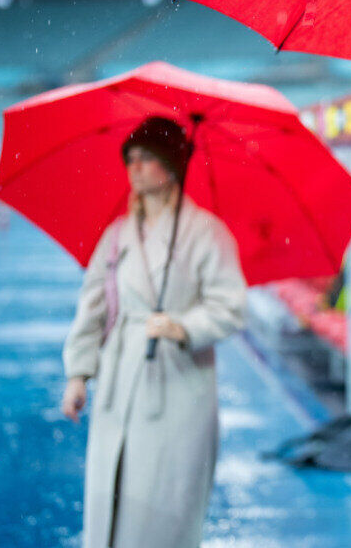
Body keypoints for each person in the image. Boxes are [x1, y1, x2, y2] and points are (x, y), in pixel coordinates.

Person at [60, 116, 247, 548]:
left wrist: (183, 326)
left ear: (172, 165)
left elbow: (231, 306)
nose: (135, 168)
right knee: (111, 493)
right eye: (131, 159)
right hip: (120, 375)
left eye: (146, 158)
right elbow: (92, 308)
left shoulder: (207, 233)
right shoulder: (116, 236)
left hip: (179, 384)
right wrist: (77, 374)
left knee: (163, 505)